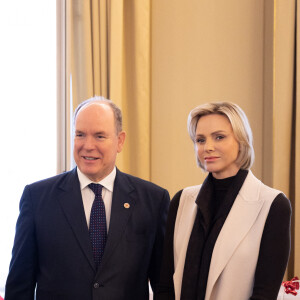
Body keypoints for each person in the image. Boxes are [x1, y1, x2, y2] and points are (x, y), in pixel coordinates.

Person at [5, 96, 170, 300]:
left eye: (99, 136)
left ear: (120, 141)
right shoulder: (37, 199)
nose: (88, 145)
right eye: (80, 135)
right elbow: (19, 286)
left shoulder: (153, 200)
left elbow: (164, 286)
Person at [156, 102, 291, 300]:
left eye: (219, 137)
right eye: (200, 140)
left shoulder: (273, 205)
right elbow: (165, 284)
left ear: (241, 140)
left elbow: (265, 294)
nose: (207, 147)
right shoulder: (182, 200)